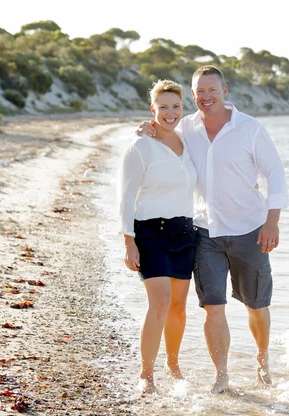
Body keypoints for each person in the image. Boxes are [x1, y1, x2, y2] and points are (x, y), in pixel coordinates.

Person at [136, 65, 289, 393]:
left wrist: (272, 222)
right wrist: (147, 129)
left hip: (251, 230)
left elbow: (274, 174)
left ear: (224, 90)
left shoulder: (250, 128)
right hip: (204, 233)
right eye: (199, 91)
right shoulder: (187, 128)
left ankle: (263, 361)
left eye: (211, 90)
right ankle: (222, 374)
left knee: (257, 306)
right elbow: (165, 141)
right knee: (213, 307)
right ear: (192, 95)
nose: (205, 96)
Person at [118, 79, 198, 394]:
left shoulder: (188, 142)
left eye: (175, 106)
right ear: (153, 110)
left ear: (183, 108)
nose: (170, 112)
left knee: (178, 306)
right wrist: (128, 242)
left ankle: (172, 363)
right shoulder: (140, 146)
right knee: (160, 302)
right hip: (150, 233)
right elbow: (124, 198)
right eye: (163, 107)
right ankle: (146, 375)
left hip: (184, 231)